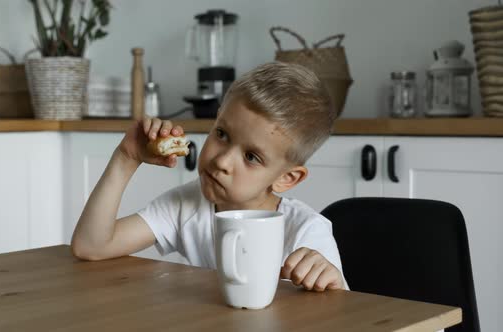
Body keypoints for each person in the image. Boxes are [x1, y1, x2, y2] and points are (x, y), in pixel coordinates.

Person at [71, 61, 346, 291]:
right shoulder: (186, 205)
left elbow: (343, 314)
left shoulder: (306, 232)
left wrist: (330, 280)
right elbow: (91, 246)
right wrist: (125, 158)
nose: (222, 160)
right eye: (222, 134)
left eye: (251, 157)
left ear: (287, 178)